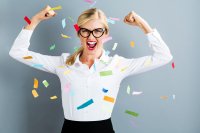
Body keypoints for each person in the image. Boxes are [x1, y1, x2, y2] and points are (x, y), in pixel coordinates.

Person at [9, 5, 173, 133]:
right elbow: (17, 52)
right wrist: (36, 19)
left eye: (97, 31)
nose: (91, 37)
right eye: (85, 31)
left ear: (105, 33)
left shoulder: (118, 65)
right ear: (79, 34)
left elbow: (164, 56)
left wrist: (143, 25)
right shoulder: (63, 63)